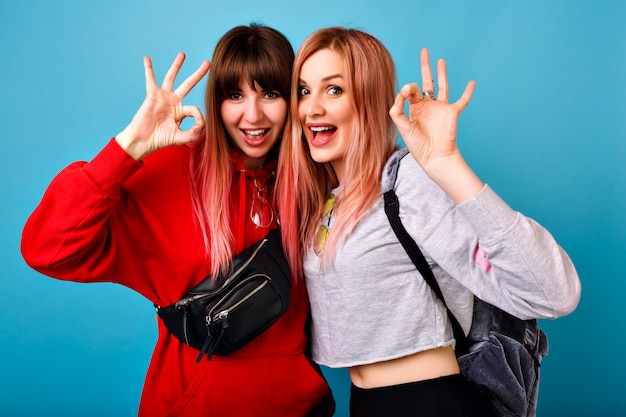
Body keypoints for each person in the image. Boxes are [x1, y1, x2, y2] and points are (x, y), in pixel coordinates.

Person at [21, 25, 334, 417]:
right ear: (216, 101)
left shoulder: (317, 177)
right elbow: (47, 249)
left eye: (270, 94)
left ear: (292, 100)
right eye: (235, 95)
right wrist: (129, 144)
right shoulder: (173, 169)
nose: (252, 115)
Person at [277, 27, 581, 417]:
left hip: (430, 403)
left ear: (368, 98)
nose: (311, 109)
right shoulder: (323, 200)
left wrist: (447, 165)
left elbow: (555, 292)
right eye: (303, 91)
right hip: (366, 403)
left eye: (333, 90)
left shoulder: (407, 182)